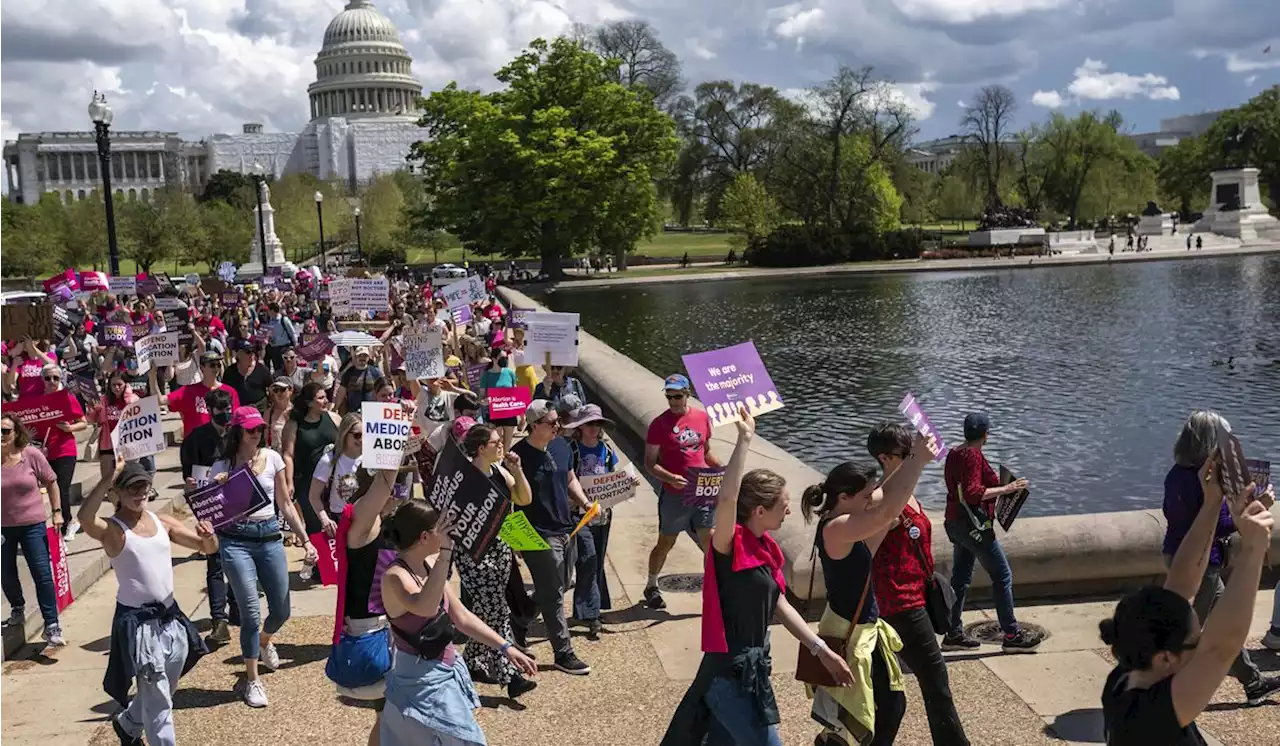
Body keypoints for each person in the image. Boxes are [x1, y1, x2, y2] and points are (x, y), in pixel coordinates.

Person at [663, 406, 853, 745]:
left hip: (751, 672)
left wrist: (821, 649)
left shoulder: (764, 548)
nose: (790, 510)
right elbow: (727, 499)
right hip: (727, 676)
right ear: (760, 510)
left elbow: (778, 602)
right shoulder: (729, 545)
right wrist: (744, 439)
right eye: (784, 504)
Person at [1100, 454, 1274, 743]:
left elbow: (1181, 584)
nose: (1202, 643)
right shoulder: (1149, 719)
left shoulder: (1125, 678)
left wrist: (1212, 502)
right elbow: (1220, 648)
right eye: (1196, 641)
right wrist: (1254, 548)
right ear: (1165, 658)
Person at [800, 432, 933, 745]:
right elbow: (887, 511)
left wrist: (915, 457)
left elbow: (885, 498)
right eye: (865, 498)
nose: (870, 502)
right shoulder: (836, 529)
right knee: (876, 710)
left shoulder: (844, 516)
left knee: (867, 712)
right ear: (844, 497)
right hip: (852, 631)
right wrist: (916, 460)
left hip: (863, 629)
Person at [378, 500, 538, 746]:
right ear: (424, 537)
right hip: (418, 680)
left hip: (443, 671)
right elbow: (426, 606)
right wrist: (445, 554)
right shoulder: (394, 578)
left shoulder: (429, 565)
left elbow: (461, 616)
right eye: (442, 528)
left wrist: (506, 647)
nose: (451, 533)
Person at [77, 457, 212, 746]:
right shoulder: (114, 531)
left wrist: (208, 536)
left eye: (143, 487)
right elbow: (85, 519)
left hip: (171, 618)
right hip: (140, 627)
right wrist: (106, 478)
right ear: (117, 494)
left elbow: (205, 547)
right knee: (160, 703)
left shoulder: (161, 521)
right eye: (131, 489)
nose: (139, 494)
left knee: (165, 688)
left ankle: (127, 724)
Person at [1161, 411, 1280, 704]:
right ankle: (1161, 688)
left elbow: (1179, 519)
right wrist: (1254, 508)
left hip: (1182, 554)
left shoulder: (1179, 474)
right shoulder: (1203, 482)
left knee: (1221, 624)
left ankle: (1253, 683)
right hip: (1202, 563)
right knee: (1189, 631)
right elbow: (1216, 524)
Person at [866, 423, 970, 746]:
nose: (913, 458)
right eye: (906, 454)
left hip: (916, 596)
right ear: (885, 458)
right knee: (934, 679)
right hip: (899, 602)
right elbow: (871, 542)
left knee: (892, 698)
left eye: (912, 452)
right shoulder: (879, 497)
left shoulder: (905, 491)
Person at [209, 406, 315, 707]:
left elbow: (285, 502)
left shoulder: (273, 458)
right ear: (238, 432)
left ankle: (266, 640)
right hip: (236, 541)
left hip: (268, 536)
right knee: (251, 614)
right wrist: (217, 488)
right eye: (250, 429)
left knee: (281, 610)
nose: (256, 434)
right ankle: (252, 680)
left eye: (259, 429)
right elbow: (211, 510)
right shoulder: (222, 465)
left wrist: (305, 539)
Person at [941, 412, 1041, 653]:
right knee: (1002, 576)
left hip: (955, 522)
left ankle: (953, 634)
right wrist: (1008, 487)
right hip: (973, 527)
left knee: (961, 579)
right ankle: (1012, 635)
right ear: (986, 434)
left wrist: (1007, 486)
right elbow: (974, 493)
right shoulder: (973, 455)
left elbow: (973, 485)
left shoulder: (956, 452)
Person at [454, 423, 538, 698]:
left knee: (487, 611)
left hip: (500, 550)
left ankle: (467, 665)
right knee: (498, 611)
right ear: (480, 448)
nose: (501, 444)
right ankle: (510, 676)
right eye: (495, 442)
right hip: (474, 554)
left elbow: (524, 499)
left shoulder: (500, 471)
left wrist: (517, 470)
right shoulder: (466, 477)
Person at [511, 399, 591, 674]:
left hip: (565, 528)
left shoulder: (561, 446)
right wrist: (516, 543)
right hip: (535, 533)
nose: (558, 426)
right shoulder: (516, 456)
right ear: (534, 426)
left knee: (559, 584)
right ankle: (563, 652)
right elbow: (509, 501)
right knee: (555, 593)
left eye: (559, 421)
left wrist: (584, 502)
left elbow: (569, 478)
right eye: (552, 422)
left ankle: (520, 616)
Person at [643, 373, 719, 610]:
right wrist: (669, 477)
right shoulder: (659, 424)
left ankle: (715, 589)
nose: (673, 401)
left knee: (710, 541)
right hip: (675, 494)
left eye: (678, 396)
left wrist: (722, 469)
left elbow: (705, 451)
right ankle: (651, 585)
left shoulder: (702, 418)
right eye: (669, 396)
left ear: (687, 394)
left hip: (703, 489)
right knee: (666, 541)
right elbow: (650, 463)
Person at [179, 387, 238, 646]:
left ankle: (237, 607)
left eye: (228, 409)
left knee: (237, 558)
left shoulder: (238, 434)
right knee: (215, 562)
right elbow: (189, 474)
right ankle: (218, 620)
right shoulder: (196, 438)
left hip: (237, 503)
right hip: (210, 505)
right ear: (210, 411)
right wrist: (191, 483)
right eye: (220, 411)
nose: (226, 414)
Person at [0, 411, 64, 646]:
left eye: (5, 431)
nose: (1, 435)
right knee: (5, 573)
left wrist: (57, 512)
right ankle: (18, 607)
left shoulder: (30, 455)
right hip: (3, 528)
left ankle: (52, 624)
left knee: (42, 573)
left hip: (32, 525)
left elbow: (51, 480)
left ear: (16, 433)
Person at [562, 403, 626, 639]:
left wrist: (626, 485)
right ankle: (592, 615)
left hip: (603, 513)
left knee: (596, 559)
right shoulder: (572, 450)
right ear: (580, 427)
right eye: (589, 424)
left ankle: (587, 607)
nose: (593, 428)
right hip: (579, 514)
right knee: (587, 557)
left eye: (597, 424)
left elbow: (612, 478)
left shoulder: (607, 450)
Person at [282, 382, 341, 543]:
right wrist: (289, 483)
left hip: (334, 482)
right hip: (306, 483)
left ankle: (337, 565)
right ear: (309, 402)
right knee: (315, 525)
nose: (325, 401)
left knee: (337, 523)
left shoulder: (334, 418)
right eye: (321, 398)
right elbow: (287, 455)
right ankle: (319, 565)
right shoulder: (294, 425)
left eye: (326, 397)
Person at [35, 364, 87, 541]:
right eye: (48, 378)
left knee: (61, 488)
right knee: (50, 489)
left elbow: (84, 422)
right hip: (44, 452)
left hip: (65, 449)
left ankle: (67, 524)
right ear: (42, 379)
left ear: (61, 379)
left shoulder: (67, 398)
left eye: (55, 378)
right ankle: (59, 523)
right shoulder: (38, 401)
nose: (51, 382)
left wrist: (70, 427)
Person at [156, 351, 241, 438]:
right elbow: (161, 400)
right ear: (202, 367)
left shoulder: (230, 391)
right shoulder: (188, 391)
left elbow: (235, 420)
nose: (216, 368)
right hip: (194, 446)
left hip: (220, 444)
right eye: (212, 365)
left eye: (218, 365)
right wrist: (152, 378)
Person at [311, 413, 365, 535]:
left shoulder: (371, 459)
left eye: (365, 435)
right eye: (357, 435)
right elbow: (314, 496)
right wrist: (325, 519)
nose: (361, 440)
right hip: (339, 519)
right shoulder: (330, 460)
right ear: (345, 433)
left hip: (364, 519)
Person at [88, 372, 140, 482]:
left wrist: (127, 397)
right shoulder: (103, 400)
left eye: (119, 384)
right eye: (113, 385)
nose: (116, 388)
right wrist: (91, 408)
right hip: (107, 445)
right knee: (107, 480)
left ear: (126, 385)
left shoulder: (134, 399)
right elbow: (91, 420)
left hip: (127, 445)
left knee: (128, 478)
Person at [479, 348, 518, 452]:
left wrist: (522, 416)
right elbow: (481, 397)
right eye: (502, 358)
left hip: (509, 411)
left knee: (507, 446)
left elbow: (515, 392)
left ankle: (505, 465)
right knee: (498, 443)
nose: (505, 359)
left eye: (506, 357)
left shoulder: (510, 373)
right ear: (494, 359)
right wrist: (485, 401)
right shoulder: (486, 375)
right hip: (495, 412)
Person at [224, 340, 274, 409]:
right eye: (248, 352)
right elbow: (225, 391)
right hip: (239, 409)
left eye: (253, 352)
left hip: (260, 409)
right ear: (238, 354)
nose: (251, 355)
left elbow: (272, 387)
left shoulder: (262, 369)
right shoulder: (230, 372)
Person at [336, 347, 382, 414]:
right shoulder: (349, 373)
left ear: (368, 357)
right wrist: (336, 407)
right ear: (355, 357)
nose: (362, 358)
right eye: (359, 355)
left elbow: (383, 389)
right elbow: (341, 391)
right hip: (353, 412)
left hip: (372, 411)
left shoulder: (375, 372)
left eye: (365, 356)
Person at [264, 302, 298, 373]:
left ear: (272, 310)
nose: (267, 312)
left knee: (285, 367)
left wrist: (295, 345)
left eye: (269, 310)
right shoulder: (270, 320)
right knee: (277, 368)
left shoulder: (284, 320)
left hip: (284, 348)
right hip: (274, 348)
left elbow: (292, 333)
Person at [264, 377, 294, 450]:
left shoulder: (296, 412)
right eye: (276, 390)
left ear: (291, 391)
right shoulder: (269, 413)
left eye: (282, 389)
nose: (279, 393)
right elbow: (265, 440)